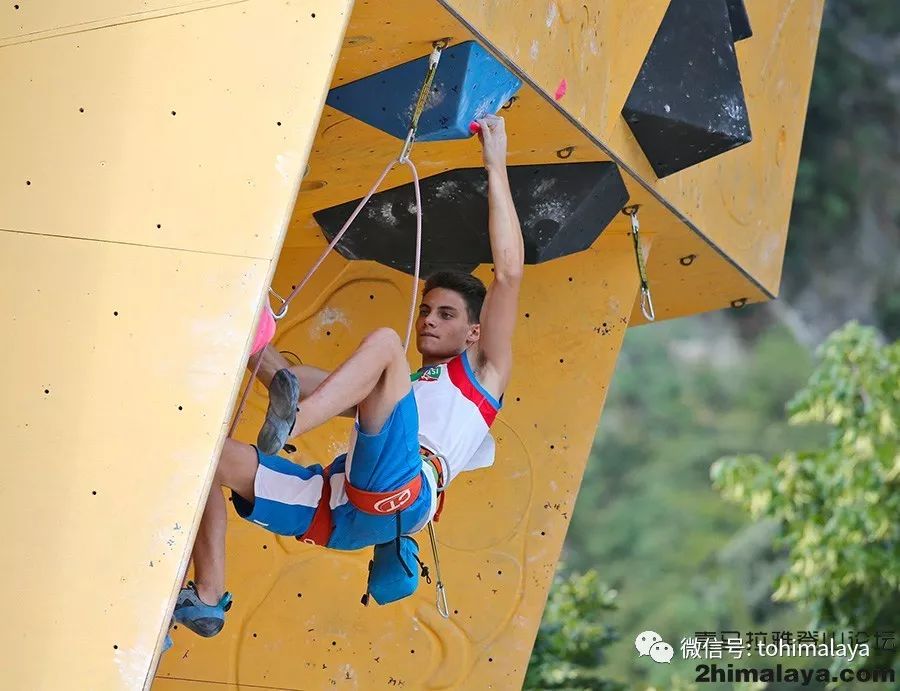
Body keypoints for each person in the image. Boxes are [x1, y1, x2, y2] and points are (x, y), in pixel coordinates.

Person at [173, 114, 524, 638]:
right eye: (427, 310)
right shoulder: (394, 389)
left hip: (403, 491)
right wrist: (247, 336)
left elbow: (509, 273)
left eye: (446, 315)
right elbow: (305, 381)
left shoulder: (482, 375)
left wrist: (495, 163)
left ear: (475, 333)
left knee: (385, 344)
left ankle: (292, 426)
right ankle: (207, 597)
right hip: (337, 508)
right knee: (201, 457)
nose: (428, 319)